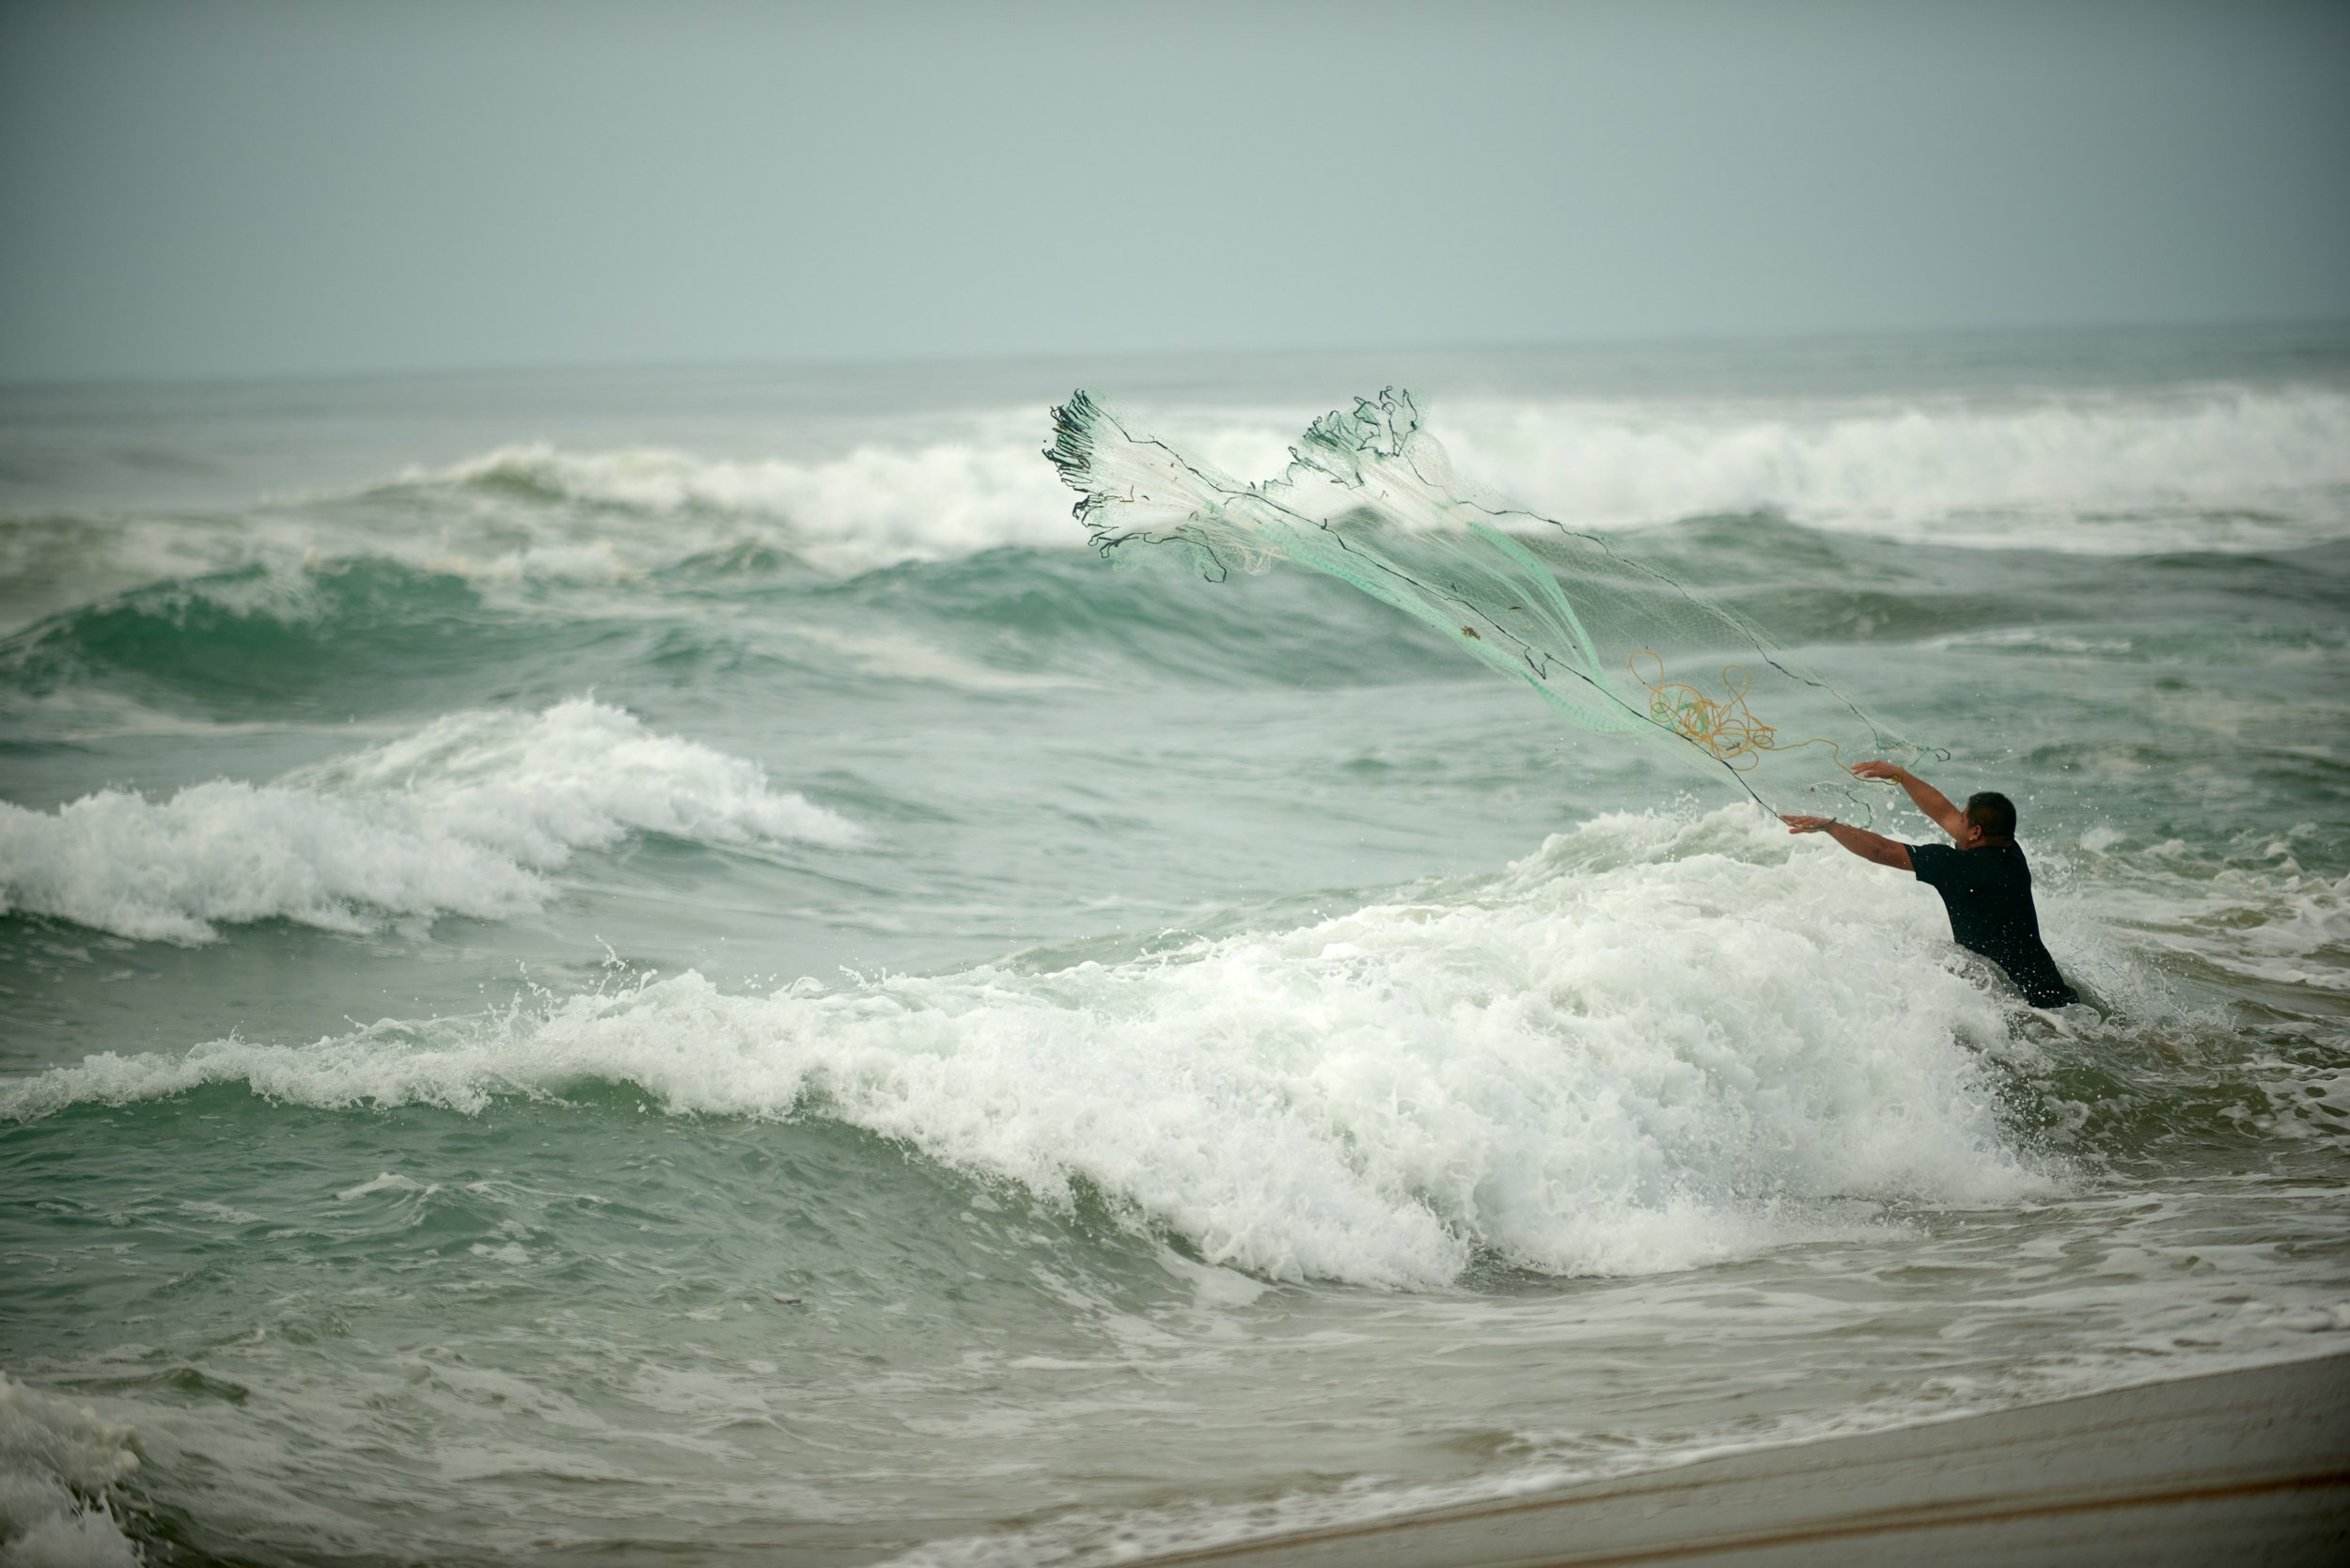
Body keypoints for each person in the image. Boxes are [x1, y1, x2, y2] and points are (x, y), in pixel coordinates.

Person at [1780, 761, 2079, 1009]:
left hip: (2023, 1004)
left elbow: (1880, 850)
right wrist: (1902, 776)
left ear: (1975, 832)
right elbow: (1943, 812)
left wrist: (1830, 826)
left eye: (1962, 819)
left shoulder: (1954, 866)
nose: (1954, 821)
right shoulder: (2012, 854)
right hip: (2053, 992)